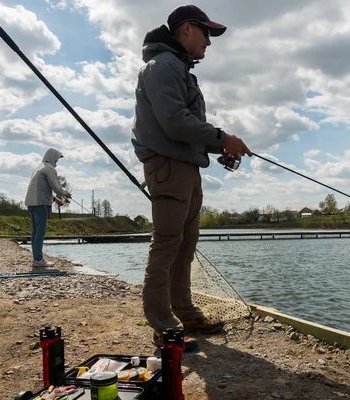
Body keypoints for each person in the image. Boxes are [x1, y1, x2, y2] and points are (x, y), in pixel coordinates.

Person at [131, 4, 252, 351]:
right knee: (167, 243)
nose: (209, 42)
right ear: (186, 29)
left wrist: (218, 145)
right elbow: (174, 121)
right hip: (169, 168)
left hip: (185, 166)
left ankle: (184, 311)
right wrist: (222, 138)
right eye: (206, 33)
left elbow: (182, 126)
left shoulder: (177, 67)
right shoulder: (163, 66)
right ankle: (163, 324)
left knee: (186, 243)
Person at [24, 148, 72, 269]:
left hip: (31, 203)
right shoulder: (49, 169)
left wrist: (55, 199)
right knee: (40, 232)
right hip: (40, 204)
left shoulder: (38, 168)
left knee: (35, 231)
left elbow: (42, 188)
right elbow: (56, 187)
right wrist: (66, 193)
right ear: (53, 157)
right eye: (57, 158)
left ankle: (36, 258)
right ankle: (38, 259)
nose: (57, 161)